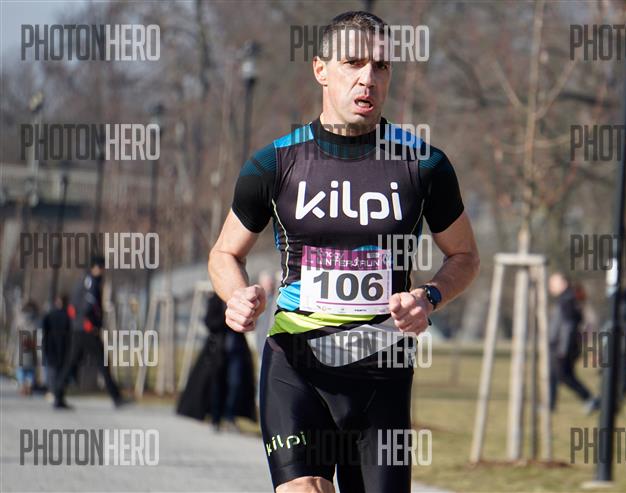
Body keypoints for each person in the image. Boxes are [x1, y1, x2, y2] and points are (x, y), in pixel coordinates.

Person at [208, 11, 479, 493]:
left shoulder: (423, 165)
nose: (367, 78)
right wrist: (236, 296)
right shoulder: (275, 163)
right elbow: (225, 254)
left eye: (381, 66)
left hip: (382, 374)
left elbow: (465, 256)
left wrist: (430, 297)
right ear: (321, 69)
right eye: (353, 63)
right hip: (297, 363)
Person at [53, 256, 125, 409]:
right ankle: (116, 397)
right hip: (87, 330)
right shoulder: (91, 281)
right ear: (95, 267)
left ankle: (58, 392)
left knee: (71, 363)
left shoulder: (84, 279)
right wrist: (89, 322)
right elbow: (88, 303)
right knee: (102, 362)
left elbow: (73, 306)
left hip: (80, 329)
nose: (103, 270)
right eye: (101, 267)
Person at [177, 293, 257, 431]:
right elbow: (209, 321)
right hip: (218, 351)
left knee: (235, 383)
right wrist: (227, 319)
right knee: (216, 385)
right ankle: (216, 418)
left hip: (236, 351)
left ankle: (230, 416)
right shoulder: (215, 299)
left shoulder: (240, 298)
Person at [548, 273, 598, 414]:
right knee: (554, 374)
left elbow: (568, 327)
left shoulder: (567, 300)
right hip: (563, 345)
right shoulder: (567, 299)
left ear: (563, 284)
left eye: (553, 283)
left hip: (564, 346)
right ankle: (550, 405)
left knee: (564, 375)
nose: (550, 286)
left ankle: (589, 398)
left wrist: (563, 349)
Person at [42, 294, 71, 398]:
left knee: (52, 370)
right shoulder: (68, 316)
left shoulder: (50, 315)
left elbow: (44, 331)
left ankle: (53, 390)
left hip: (52, 346)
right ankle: (58, 392)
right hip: (61, 347)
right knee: (60, 371)